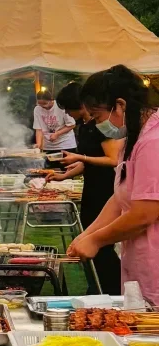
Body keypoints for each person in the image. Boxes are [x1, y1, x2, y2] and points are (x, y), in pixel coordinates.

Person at [66, 65, 159, 300]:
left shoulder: (153, 142)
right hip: (140, 265)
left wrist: (97, 240)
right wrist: (87, 234)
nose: (98, 124)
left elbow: (144, 213)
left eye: (98, 116)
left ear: (120, 105)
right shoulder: (135, 139)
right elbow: (119, 198)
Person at [46, 81, 122, 294]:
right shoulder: (87, 127)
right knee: (89, 235)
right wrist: (65, 175)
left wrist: (80, 156)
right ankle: (95, 286)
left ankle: (109, 289)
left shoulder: (104, 127)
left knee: (102, 242)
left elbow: (113, 159)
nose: (69, 114)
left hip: (106, 191)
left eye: (69, 109)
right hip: (92, 188)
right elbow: (87, 162)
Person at [33, 88, 77, 154]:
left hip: (65, 144)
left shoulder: (60, 106)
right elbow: (38, 129)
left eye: (45, 103)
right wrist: (38, 144)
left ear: (51, 100)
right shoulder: (37, 109)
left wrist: (57, 133)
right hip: (48, 146)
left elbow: (72, 124)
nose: (42, 106)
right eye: (39, 104)